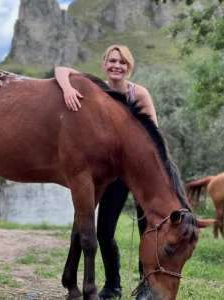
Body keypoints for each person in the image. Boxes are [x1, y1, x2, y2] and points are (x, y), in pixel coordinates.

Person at [55, 45, 158, 300]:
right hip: (110, 173)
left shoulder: (139, 93)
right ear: (104, 65)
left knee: (147, 229)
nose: (117, 66)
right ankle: (113, 285)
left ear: (129, 67)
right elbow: (61, 70)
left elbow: (153, 134)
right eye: (112, 61)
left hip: (137, 172)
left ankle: (145, 286)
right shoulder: (97, 89)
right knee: (104, 232)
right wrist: (68, 88)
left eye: (122, 62)